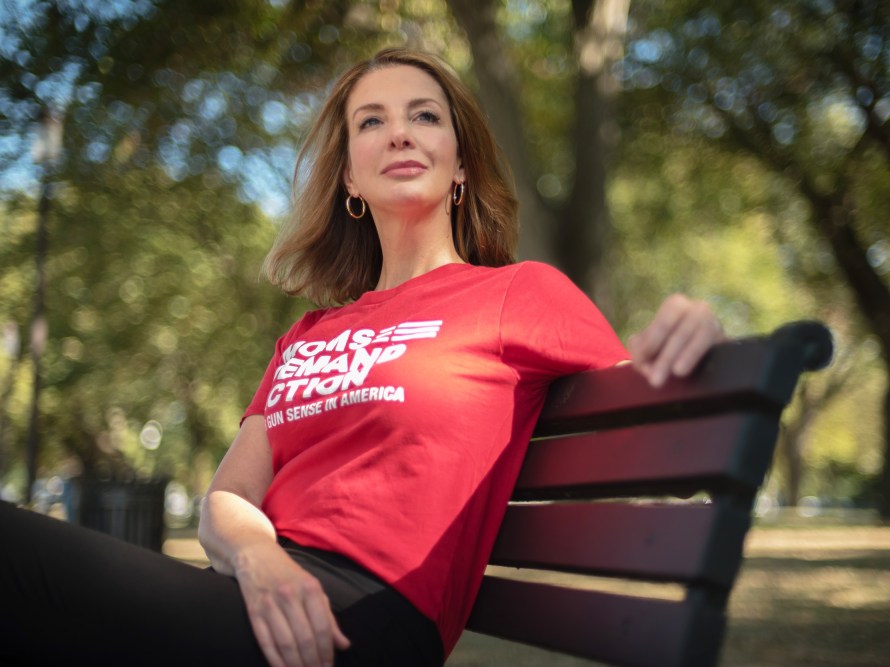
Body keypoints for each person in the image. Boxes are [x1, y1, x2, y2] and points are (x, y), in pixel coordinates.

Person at [0, 48, 723, 666]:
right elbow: (226, 498)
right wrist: (260, 561)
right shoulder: (308, 333)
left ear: (461, 161)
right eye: (371, 121)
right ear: (349, 176)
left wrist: (695, 338)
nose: (399, 133)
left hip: (367, 618)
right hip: (261, 593)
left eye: (424, 115)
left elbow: (667, 441)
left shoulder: (518, 293)